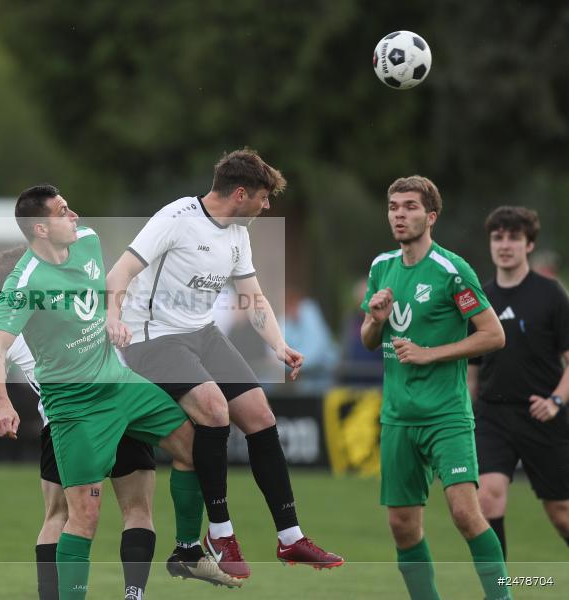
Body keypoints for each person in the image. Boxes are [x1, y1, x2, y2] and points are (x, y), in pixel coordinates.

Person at [0, 185, 234, 599]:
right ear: (41, 228)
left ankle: (187, 551)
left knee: (194, 448)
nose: (75, 215)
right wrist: (3, 404)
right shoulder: (24, 281)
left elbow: (101, 296)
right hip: (76, 408)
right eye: (64, 211)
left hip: (120, 384)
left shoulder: (89, 241)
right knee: (84, 516)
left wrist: (111, 318)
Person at [106, 148, 343, 573]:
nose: (268, 206)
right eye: (264, 198)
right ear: (239, 193)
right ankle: (219, 533)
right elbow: (118, 273)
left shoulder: (237, 231)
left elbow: (253, 295)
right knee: (214, 410)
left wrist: (278, 344)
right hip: (152, 337)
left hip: (202, 335)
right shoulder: (175, 219)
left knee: (260, 415)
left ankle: (290, 538)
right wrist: (112, 318)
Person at [360, 175, 510, 600]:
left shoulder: (451, 270)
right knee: (402, 526)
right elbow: (370, 341)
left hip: (446, 415)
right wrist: (374, 318)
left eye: (409, 206)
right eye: (393, 206)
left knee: (466, 514)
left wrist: (430, 352)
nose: (400, 214)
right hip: (397, 418)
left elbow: (493, 335)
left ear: (431, 216)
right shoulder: (380, 267)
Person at [468, 206, 569, 559]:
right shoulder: (479, 298)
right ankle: (498, 592)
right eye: (498, 237)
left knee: (561, 514)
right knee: (487, 496)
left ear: (529, 245)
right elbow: (472, 367)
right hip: (492, 417)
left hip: (543, 416)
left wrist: (556, 401)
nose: (505, 244)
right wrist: (466, 415)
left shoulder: (551, 294)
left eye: (514, 237)